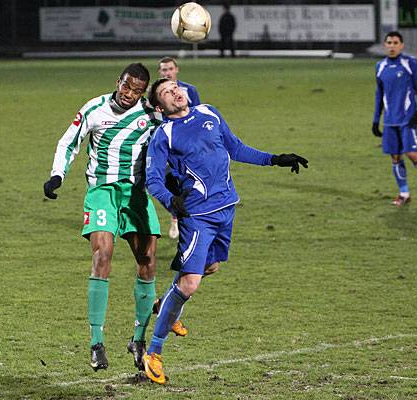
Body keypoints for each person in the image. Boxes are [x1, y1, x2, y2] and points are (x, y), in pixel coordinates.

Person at [142, 78, 308, 384]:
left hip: (227, 208)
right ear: (159, 106)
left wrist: (275, 159)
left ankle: (169, 307)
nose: (176, 92)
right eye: (167, 92)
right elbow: (152, 178)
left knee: (211, 266)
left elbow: (236, 148)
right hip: (198, 216)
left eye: (176, 87)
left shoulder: (209, 112)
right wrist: (171, 202)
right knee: (190, 285)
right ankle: (153, 352)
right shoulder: (163, 134)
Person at [43, 63, 184, 372]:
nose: (128, 94)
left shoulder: (150, 115)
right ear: (118, 81)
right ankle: (96, 342)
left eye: (136, 91)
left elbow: (175, 137)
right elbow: (69, 141)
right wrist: (57, 176)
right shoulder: (94, 108)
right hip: (102, 191)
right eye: (126, 86)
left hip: (135, 193)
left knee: (147, 261)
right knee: (102, 255)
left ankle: (138, 339)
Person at [372, 31, 417, 206]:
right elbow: (379, 95)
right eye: (389, 43)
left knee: (411, 153)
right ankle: (404, 193)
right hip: (390, 120)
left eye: (395, 43)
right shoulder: (380, 66)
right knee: (395, 157)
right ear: (385, 45)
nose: (392, 46)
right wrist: (375, 120)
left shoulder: (411, 63)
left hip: (407, 117)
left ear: (401, 45)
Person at [158, 56, 201, 241]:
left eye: (170, 69)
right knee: (169, 181)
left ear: (177, 70)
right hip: (168, 144)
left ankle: (190, 218)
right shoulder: (157, 93)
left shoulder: (190, 90)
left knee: (190, 182)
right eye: (163, 70)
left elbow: (199, 114)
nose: (167, 72)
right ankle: (175, 215)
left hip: (189, 145)